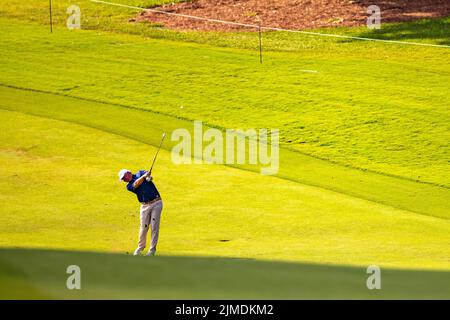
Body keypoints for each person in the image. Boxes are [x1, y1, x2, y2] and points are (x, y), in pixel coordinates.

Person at [118, 169, 163, 256]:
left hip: (156, 203)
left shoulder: (141, 172)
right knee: (143, 227)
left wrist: (148, 177)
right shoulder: (129, 186)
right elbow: (136, 184)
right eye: (122, 179)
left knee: (154, 227)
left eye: (124, 177)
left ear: (128, 173)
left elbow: (149, 178)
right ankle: (140, 247)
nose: (124, 180)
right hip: (144, 206)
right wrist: (144, 176)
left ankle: (152, 250)